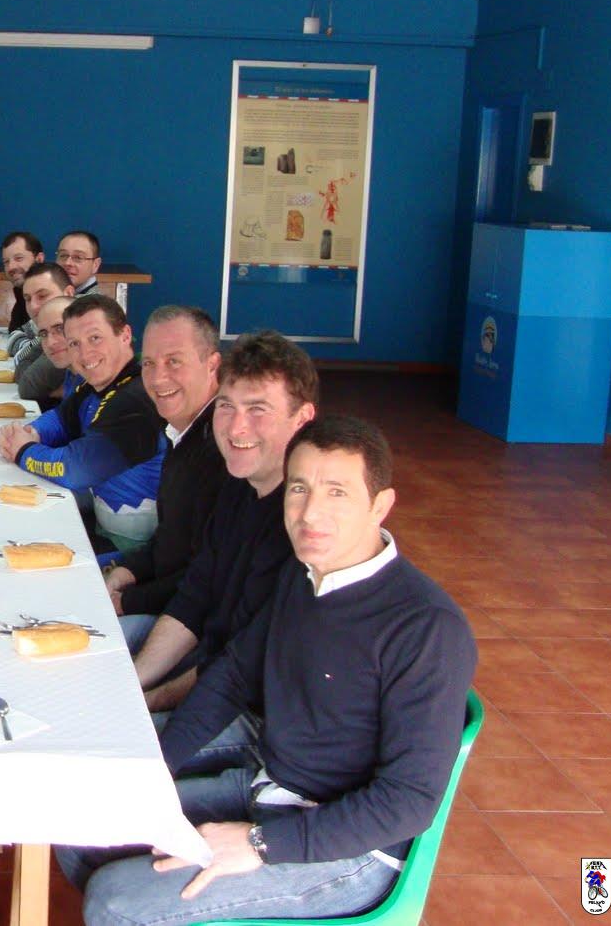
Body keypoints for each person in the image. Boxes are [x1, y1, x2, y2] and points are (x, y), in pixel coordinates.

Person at [60, 415, 477, 926]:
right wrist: (157, 766)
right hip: (270, 785)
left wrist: (260, 843)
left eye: (337, 492)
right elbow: (234, 675)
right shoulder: (302, 578)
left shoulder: (426, 627)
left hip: (348, 850)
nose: (311, 513)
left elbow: (408, 801)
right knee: (83, 825)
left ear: (380, 505)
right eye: (299, 488)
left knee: (115, 901)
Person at [128, 330, 318, 713]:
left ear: (302, 419)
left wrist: (145, 703)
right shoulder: (237, 486)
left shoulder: (305, 529)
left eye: (258, 409)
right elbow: (193, 599)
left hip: (248, 710)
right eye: (227, 406)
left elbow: (237, 668)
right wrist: (132, 682)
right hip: (202, 657)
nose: (235, 428)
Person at [0, 294, 165, 551]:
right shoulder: (98, 383)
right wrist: (31, 431)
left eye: (95, 338)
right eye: (74, 343)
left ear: (125, 335)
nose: (85, 353)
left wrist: (23, 451)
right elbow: (61, 418)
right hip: (104, 527)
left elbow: (75, 469)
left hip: (135, 551)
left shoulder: (135, 398)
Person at [103, 307, 228, 618]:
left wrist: (127, 602)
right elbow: (171, 538)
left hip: (183, 620)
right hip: (156, 590)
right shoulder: (180, 431)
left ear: (212, 365)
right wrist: (127, 571)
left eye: (174, 361)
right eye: (148, 363)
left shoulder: (224, 451)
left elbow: (208, 577)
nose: (158, 378)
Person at [11, 262, 76, 403]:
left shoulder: (78, 329)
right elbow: (22, 364)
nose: (33, 307)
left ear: (69, 293)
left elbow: (28, 387)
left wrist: (61, 392)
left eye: (42, 296)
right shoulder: (49, 330)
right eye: (28, 299)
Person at [0, 230, 45, 332]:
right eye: (6, 262)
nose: (11, 267)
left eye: (19, 258)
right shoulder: (20, 296)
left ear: (39, 259)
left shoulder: (52, 299)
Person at [55, 230, 103, 296]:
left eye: (78, 257)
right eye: (63, 255)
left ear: (95, 265)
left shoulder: (92, 301)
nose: (67, 263)